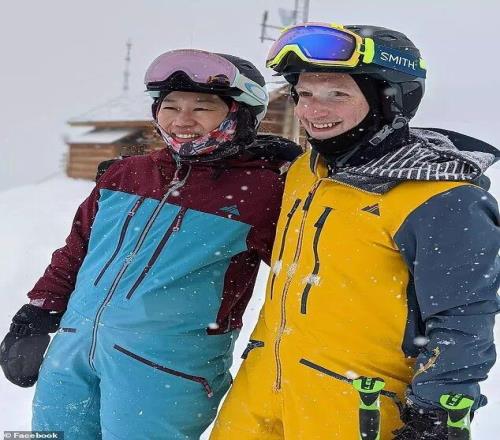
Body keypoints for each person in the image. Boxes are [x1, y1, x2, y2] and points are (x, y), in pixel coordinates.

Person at [210, 23, 500, 439]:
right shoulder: (304, 171)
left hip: (359, 407)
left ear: (390, 100)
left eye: (337, 95)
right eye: (304, 94)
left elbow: (463, 318)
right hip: (259, 397)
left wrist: (436, 412)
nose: (312, 111)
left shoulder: (441, 198)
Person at [0, 49, 301, 439]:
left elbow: (304, 276)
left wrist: (304, 176)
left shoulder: (264, 191)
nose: (182, 120)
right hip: (71, 357)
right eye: (170, 106)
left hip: (166, 371)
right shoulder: (127, 173)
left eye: (202, 108)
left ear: (240, 114)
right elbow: (77, 249)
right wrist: (38, 312)